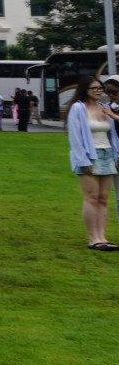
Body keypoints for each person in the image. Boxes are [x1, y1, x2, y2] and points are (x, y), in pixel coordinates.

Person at [65, 78, 118, 251]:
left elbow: (113, 136)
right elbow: (75, 136)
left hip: (107, 154)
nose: (98, 91)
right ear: (84, 89)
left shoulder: (106, 108)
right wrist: (83, 160)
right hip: (89, 155)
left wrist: (116, 156)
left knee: (103, 198)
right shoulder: (78, 108)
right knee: (92, 197)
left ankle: (102, 237)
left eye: (100, 88)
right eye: (94, 88)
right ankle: (93, 238)